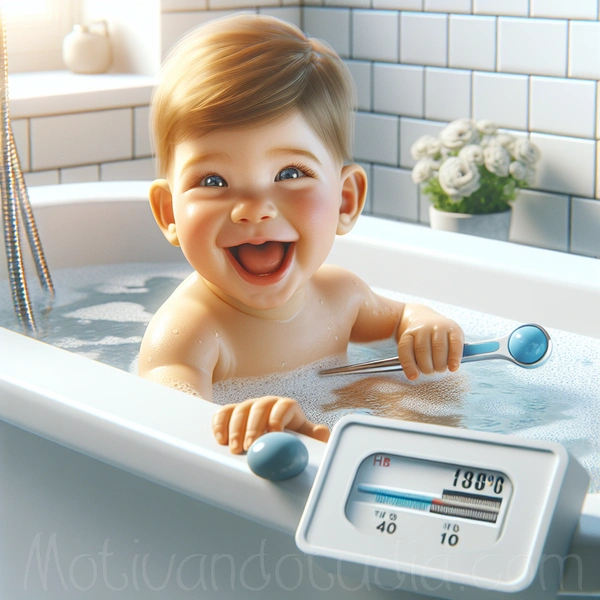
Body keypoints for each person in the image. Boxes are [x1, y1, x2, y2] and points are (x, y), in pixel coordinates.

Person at [138, 14, 464, 454]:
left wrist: (427, 325)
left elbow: (403, 315)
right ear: (168, 213)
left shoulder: (341, 294)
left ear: (346, 201)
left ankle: (416, 468)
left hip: (343, 444)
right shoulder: (190, 331)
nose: (254, 209)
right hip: (259, 473)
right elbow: (167, 418)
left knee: (407, 393)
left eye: (290, 172)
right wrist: (237, 424)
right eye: (213, 181)